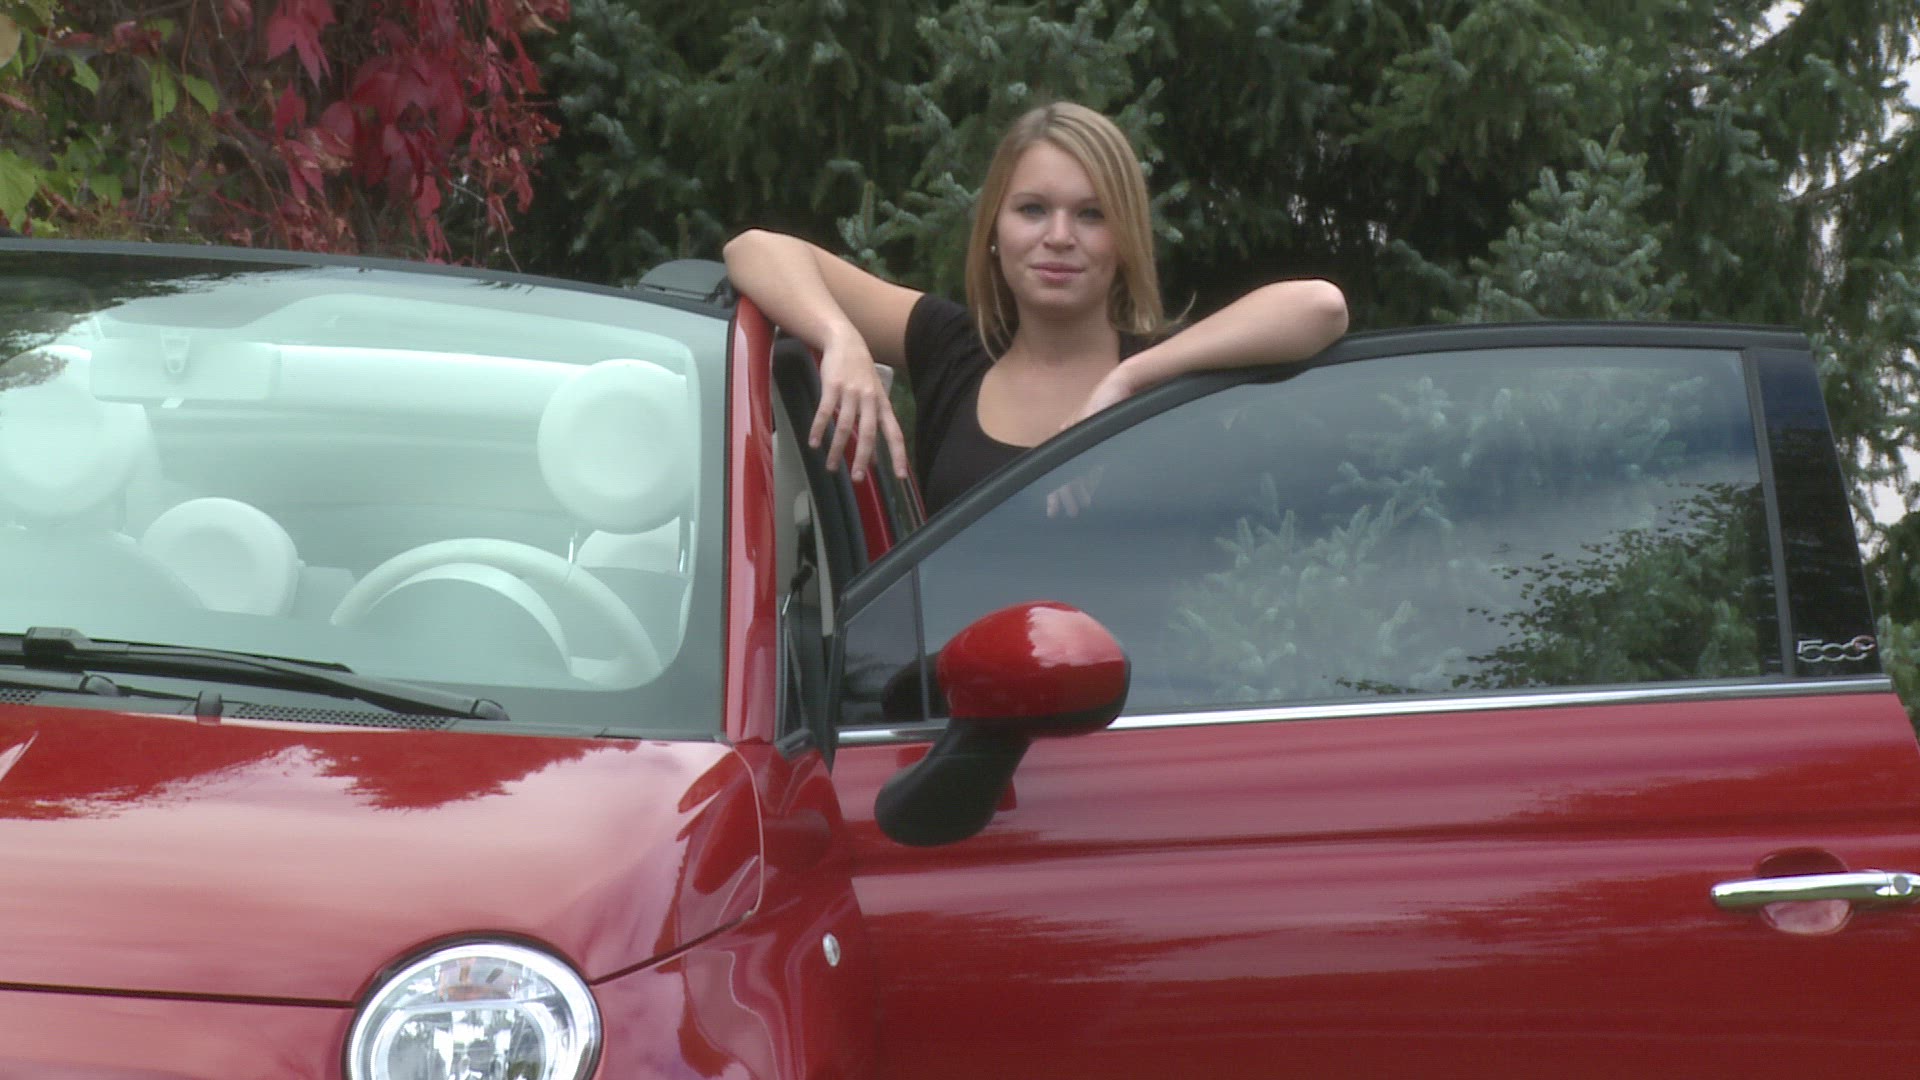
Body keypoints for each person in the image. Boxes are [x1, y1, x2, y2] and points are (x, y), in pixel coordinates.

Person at [723, 101, 1349, 516]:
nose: (1059, 236)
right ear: (995, 230)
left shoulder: (1166, 376)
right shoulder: (951, 348)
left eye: (1091, 214)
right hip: (953, 683)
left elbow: (1321, 307)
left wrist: (1126, 381)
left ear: (1125, 239)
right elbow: (754, 249)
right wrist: (841, 337)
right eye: (1032, 209)